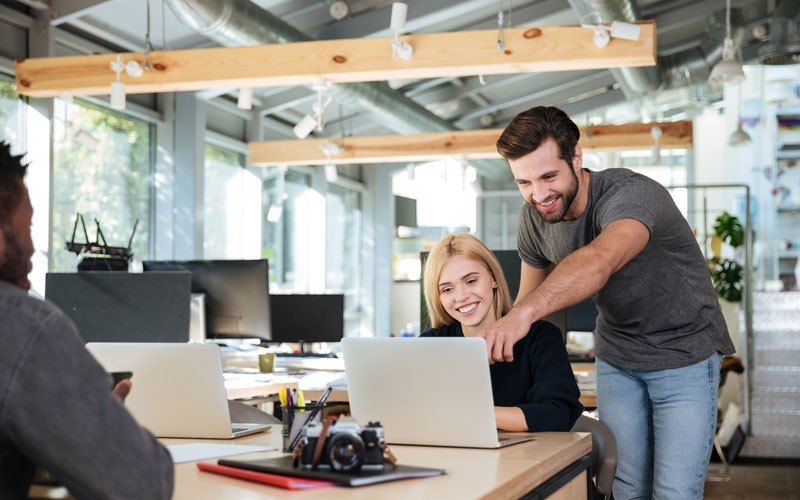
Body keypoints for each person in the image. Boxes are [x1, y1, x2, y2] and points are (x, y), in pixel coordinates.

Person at [484, 106, 735, 499]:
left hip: (684, 354)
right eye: (524, 182)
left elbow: (599, 262)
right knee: (626, 487)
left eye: (549, 176)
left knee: (674, 492)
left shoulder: (632, 195)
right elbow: (530, 305)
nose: (539, 194)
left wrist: (523, 314)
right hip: (618, 356)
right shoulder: (534, 219)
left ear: (576, 158)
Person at [0, 141, 173, 499]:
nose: (32, 246)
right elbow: (143, 484)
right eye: (27, 225)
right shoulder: (22, 327)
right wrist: (98, 427)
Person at [420, 232, 582, 432]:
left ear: (493, 278)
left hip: (529, 451)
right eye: (447, 289)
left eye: (471, 281)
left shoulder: (541, 338)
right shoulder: (429, 345)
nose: (461, 296)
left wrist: (474, 413)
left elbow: (557, 414)